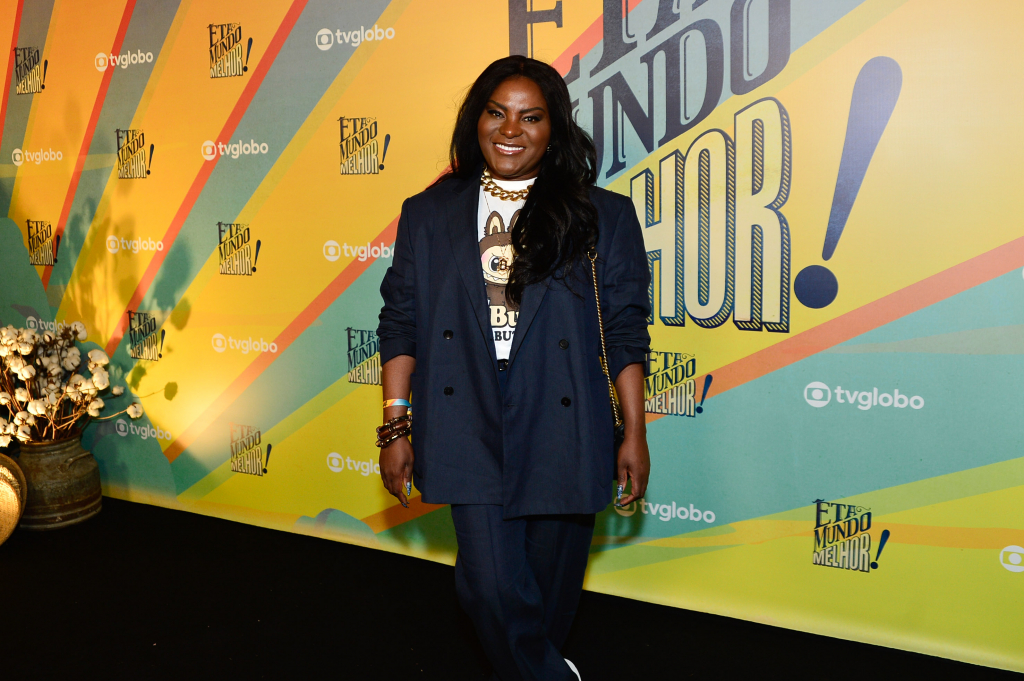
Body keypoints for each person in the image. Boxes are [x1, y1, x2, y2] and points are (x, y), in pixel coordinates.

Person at [376, 55, 651, 680]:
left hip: (565, 415)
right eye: (497, 112)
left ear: (554, 129)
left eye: (531, 117)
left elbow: (625, 334)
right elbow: (401, 322)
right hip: (465, 413)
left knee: (550, 595)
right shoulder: (429, 212)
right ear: (476, 119)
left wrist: (634, 432)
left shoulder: (601, 216)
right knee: (491, 587)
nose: (510, 129)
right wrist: (395, 425)